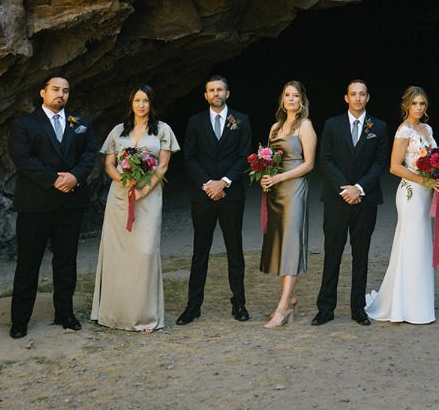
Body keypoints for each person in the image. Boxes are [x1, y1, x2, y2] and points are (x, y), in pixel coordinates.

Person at [8, 74, 98, 338]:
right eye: (56, 89)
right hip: (35, 204)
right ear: (43, 92)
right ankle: (20, 320)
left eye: (66, 91)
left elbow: (89, 154)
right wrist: (54, 179)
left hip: (70, 203)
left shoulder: (81, 123)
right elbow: (22, 158)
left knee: (66, 261)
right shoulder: (24, 124)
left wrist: (75, 176)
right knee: (28, 263)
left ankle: (65, 313)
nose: (61, 94)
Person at [90, 85, 179, 332]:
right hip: (119, 198)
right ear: (131, 103)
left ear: (152, 104)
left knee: (145, 252)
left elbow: (162, 167)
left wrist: (143, 190)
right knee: (118, 253)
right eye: (137, 100)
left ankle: (145, 316)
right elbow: (109, 163)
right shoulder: (118, 131)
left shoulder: (163, 130)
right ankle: (113, 315)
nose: (141, 105)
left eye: (146, 100)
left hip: (148, 198)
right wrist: (123, 179)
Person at [313, 79, 391, 326]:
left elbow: (380, 163)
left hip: (365, 200)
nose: (358, 98)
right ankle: (326, 308)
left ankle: (358, 308)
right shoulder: (332, 124)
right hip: (336, 199)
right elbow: (325, 159)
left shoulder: (379, 126)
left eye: (362, 94)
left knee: (361, 254)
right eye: (353, 94)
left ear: (368, 97)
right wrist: (344, 189)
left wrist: (359, 188)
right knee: (332, 253)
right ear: (346, 97)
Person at [178, 74, 253, 325]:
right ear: (205, 95)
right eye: (211, 90)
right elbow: (189, 157)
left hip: (232, 195)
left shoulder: (241, 120)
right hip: (203, 196)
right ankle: (193, 306)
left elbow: (245, 157)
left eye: (220, 89)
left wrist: (224, 182)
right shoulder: (195, 122)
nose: (216, 94)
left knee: (235, 250)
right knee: (200, 251)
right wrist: (208, 185)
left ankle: (239, 304)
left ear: (227, 93)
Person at [365, 86, 439, 324]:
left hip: (427, 191)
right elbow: (395, 167)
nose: (419, 108)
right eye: (415, 104)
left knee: (421, 246)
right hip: (411, 192)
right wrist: (425, 179)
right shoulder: (404, 129)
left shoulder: (427, 128)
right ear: (406, 105)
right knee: (411, 244)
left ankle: (418, 305)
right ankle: (402, 306)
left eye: (422, 104)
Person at [259, 81, 317, 329]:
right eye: (287, 95)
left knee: (291, 242)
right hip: (276, 190)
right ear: (282, 99)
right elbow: (269, 160)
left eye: (295, 95)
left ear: (302, 100)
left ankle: (283, 306)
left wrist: (281, 177)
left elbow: (309, 164)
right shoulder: (274, 127)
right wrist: (265, 177)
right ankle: (291, 297)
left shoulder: (306, 126)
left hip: (294, 189)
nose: (291, 99)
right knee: (281, 242)